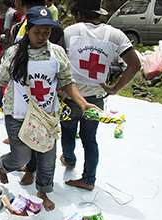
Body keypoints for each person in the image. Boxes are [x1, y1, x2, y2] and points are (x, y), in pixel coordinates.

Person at [0, 7, 100, 211]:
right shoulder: (15, 52)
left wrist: (83, 103)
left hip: (45, 115)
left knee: (47, 157)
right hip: (17, 114)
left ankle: (42, 191)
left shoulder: (56, 53)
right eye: (37, 32)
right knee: (21, 157)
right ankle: (3, 164)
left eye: (46, 32)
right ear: (28, 29)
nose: (42, 37)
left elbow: (67, 81)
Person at [60, 0, 140, 190]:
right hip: (96, 99)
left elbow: (58, 62)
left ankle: (69, 160)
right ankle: (88, 179)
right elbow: (135, 64)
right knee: (90, 140)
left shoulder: (69, 32)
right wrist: (115, 89)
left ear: (78, 14)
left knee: (68, 132)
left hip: (71, 97)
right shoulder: (115, 34)